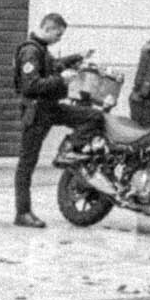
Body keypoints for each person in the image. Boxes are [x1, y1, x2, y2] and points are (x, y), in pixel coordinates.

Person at [13, 12, 95, 228]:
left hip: (50, 108)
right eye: (58, 34)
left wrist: (76, 58)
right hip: (37, 112)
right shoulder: (30, 51)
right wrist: (61, 80)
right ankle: (23, 213)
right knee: (27, 163)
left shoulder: (41, 50)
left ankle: (70, 149)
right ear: (48, 29)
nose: (59, 38)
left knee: (93, 117)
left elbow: (53, 65)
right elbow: (31, 86)